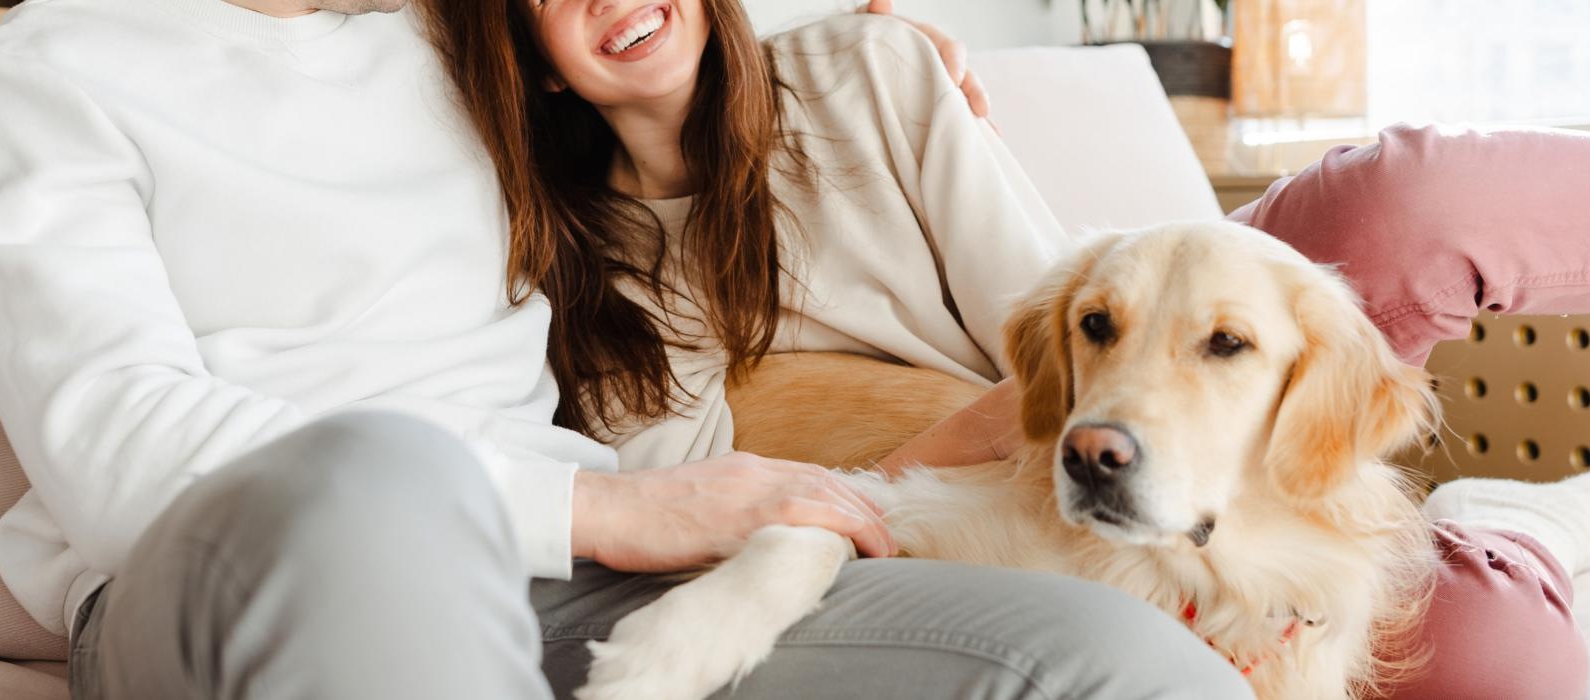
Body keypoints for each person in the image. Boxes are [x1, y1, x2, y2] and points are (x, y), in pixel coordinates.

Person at [0, 0, 1124, 697]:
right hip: (237, 574)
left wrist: (874, 67)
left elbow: (681, 105)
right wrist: (611, 513)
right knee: (382, 481)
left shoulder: (474, 44)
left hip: (571, 581)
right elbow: (112, 449)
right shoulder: (47, 68)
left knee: (1097, 661)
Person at [427, 0, 1590, 698]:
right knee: (1491, 638)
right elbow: (711, 502)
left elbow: (1066, 321)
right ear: (530, 58)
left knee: (1407, 203)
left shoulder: (867, 73)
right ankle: (1534, 522)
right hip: (1050, 491)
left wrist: (1081, 427)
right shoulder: (575, 281)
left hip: (1160, 336)